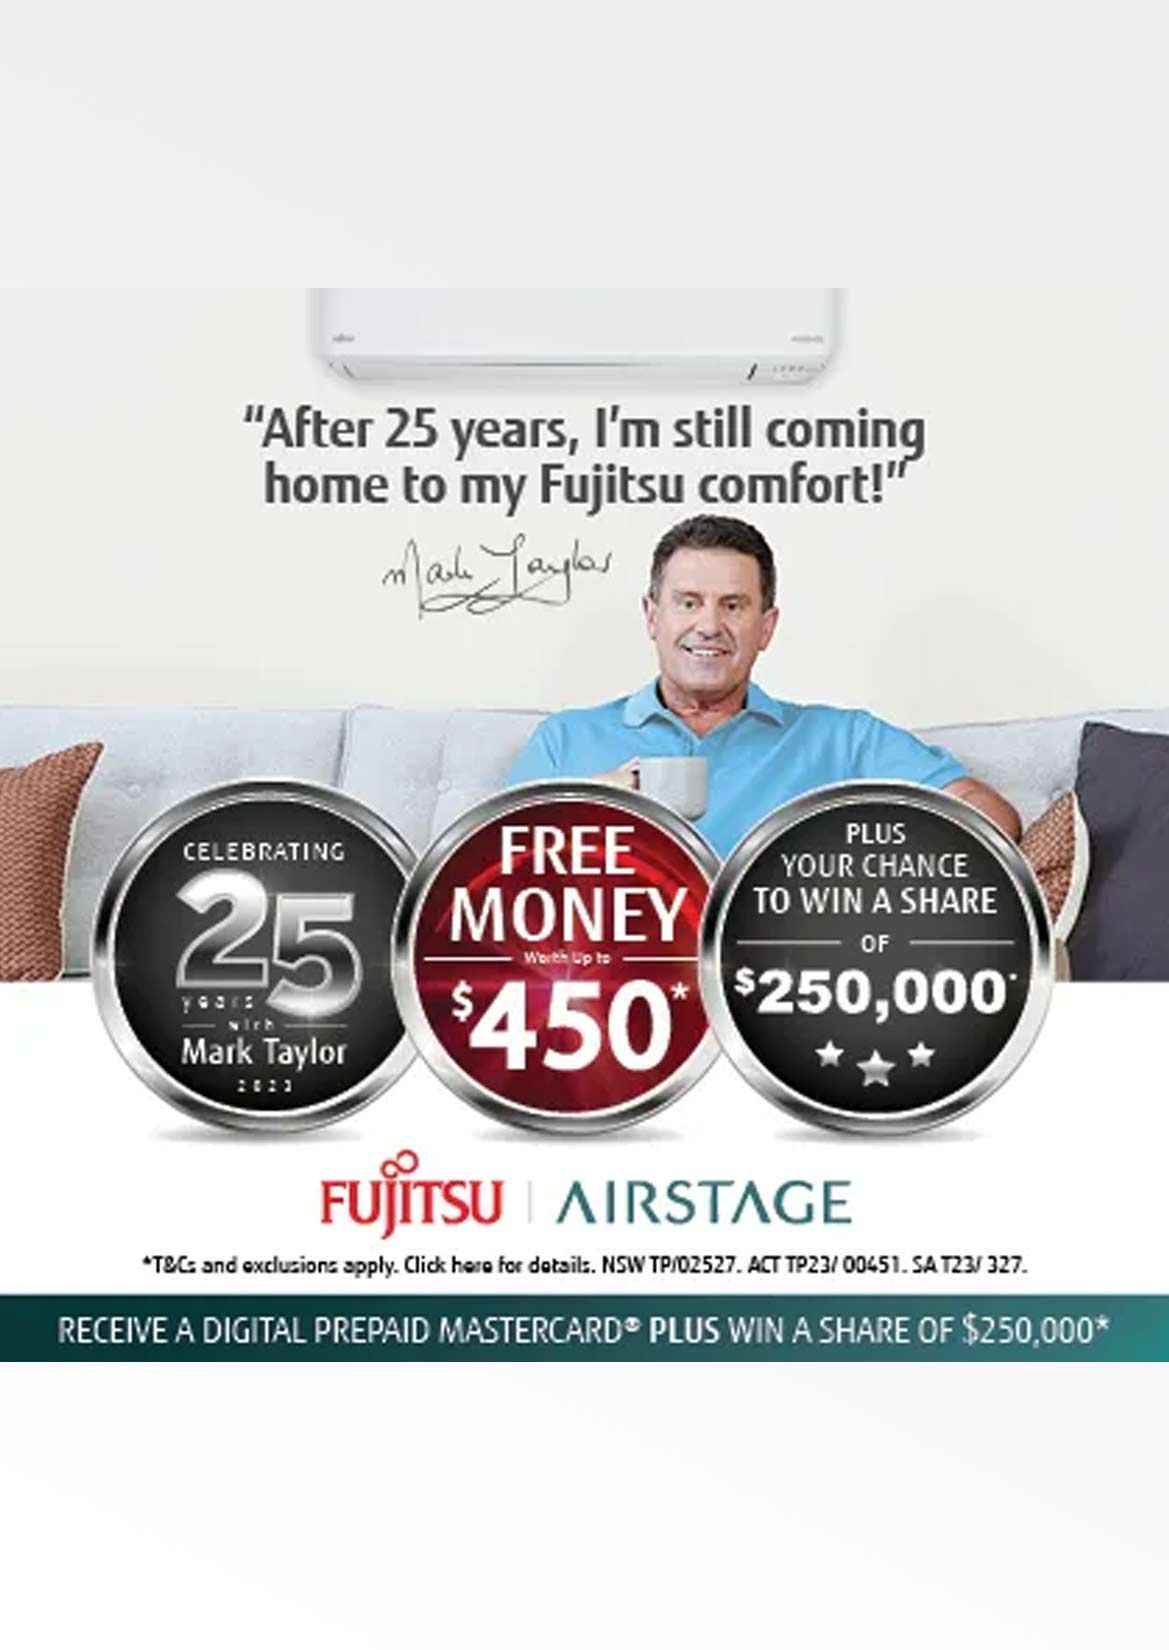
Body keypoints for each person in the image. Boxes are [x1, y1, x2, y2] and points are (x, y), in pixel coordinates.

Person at [505, 515, 1020, 857]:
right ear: (651, 616)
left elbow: (991, 814)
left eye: (733, 605)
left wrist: (860, 861)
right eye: (688, 602)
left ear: (767, 626)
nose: (708, 625)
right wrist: (592, 800)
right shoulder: (567, 739)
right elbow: (485, 875)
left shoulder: (842, 739)